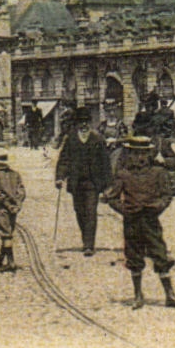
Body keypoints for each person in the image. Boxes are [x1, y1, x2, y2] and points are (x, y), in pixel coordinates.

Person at [100, 134, 175, 310]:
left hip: (150, 220)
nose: (139, 158)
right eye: (135, 153)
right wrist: (124, 210)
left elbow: (167, 195)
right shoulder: (123, 174)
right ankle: (138, 295)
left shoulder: (158, 172)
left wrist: (158, 207)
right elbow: (112, 197)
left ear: (149, 154)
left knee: (160, 254)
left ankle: (170, 295)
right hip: (132, 221)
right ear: (129, 155)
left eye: (143, 154)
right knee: (134, 256)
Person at [55, 107, 112, 256]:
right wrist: (60, 177)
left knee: (91, 212)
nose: (84, 124)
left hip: (93, 183)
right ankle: (85, 238)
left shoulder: (98, 139)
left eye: (86, 121)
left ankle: (89, 244)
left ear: (90, 122)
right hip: (76, 183)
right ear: (77, 123)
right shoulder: (71, 139)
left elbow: (105, 163)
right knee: (80, 212)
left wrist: (107, 184)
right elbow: (64, 160)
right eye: (81, 122)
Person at [0, 146, 25, 273]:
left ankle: (11, 262)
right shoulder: (15, 174)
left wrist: (8, 205)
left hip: (1, 207)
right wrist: (17, 204)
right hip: (14, 208)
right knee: (9, 230)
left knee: (5, 234)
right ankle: (0, 259)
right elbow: (21, 191)